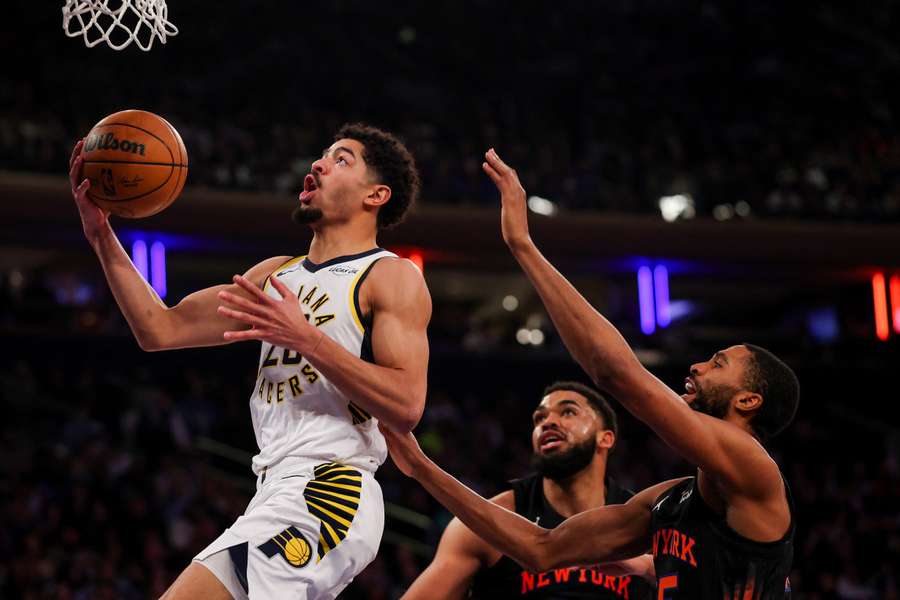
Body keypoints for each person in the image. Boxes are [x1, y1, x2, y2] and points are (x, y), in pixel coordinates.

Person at [381, 149, 799, 599]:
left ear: (748, 400)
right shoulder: (670, 500)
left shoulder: (755, 469)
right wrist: (420, 466)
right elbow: (542, 550)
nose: (697, 366)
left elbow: (615, 373)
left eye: (718, 364)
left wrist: (523, 245)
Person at [68, 123, 432, 600]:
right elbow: (161, 329)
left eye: (342, 159)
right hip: (275, 487)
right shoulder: (274, 274)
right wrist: (101, 235)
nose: (318, 164)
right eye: (322, 154)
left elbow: (406, 405)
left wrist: (305, 338)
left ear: (376, 195)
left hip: (332, 488)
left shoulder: (390, 276)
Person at [402, 380, 654, 600]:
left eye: (568, 412)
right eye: (539, 418)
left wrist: (649, 567)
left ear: (605, 438)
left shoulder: (644, 523)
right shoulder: (486, 524)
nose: (548, 422)